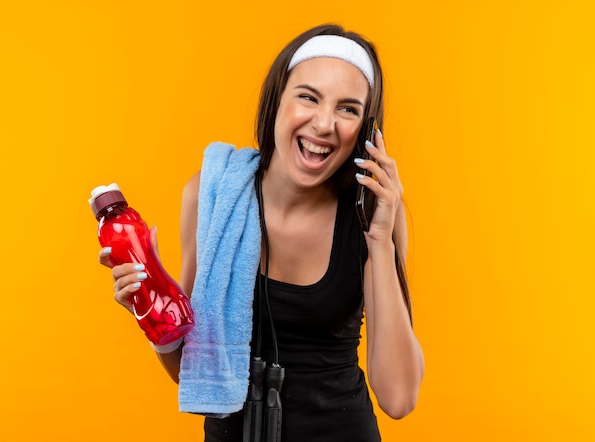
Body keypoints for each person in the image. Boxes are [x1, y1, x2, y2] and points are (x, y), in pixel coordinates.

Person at [100, 23, 424, 441]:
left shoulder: (374, 214)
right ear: (277, 102)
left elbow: (398, 398)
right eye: (308, 97)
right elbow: (194, 374)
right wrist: (151, 308)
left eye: (348, 109)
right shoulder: (212, 196)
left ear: (366, 131)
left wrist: (380, 239)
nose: (324, 124)